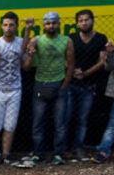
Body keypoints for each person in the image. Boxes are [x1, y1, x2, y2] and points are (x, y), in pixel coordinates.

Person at [22, 11, 75, 165]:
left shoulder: (67, 41)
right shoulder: (37, 39)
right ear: (44, 25)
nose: (51, 26)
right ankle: (38, 154)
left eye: (54, 23)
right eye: (48, 23)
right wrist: (27, 30)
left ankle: (58, 154)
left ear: (58, 24)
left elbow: (71, 64)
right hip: (40, 85)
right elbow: (24, 51)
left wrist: (65, 85)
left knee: (60, 125)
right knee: (38, 124)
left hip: (59, 85)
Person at [0, 13, 32, 166]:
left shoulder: (21, 43)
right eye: (5, 25)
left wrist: (30, 56)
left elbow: (25, 67)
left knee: (10, 124)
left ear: (16, 26)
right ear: (1, 26)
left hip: (15, 89)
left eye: (11, 25)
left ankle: (6, 154)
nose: (8, 28)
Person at [67, 9, 108, 161]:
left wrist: (85, 74)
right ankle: (62, 149)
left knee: (82, 119)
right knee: (66, 117)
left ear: (92, 20)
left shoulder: (100, 38)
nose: (84, 23)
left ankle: (78, 148)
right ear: (77, 23)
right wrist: (72, 70)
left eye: (86, 20)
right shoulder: (71, 38)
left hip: (89, 85)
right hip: (70, 84)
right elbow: (65, 58)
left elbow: (102, 61)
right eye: (81, 20)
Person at [92, 40, 114, 163]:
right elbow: (109, 67)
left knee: (113, 125)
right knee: (113, 125)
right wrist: (110, 54)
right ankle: (104, 151)